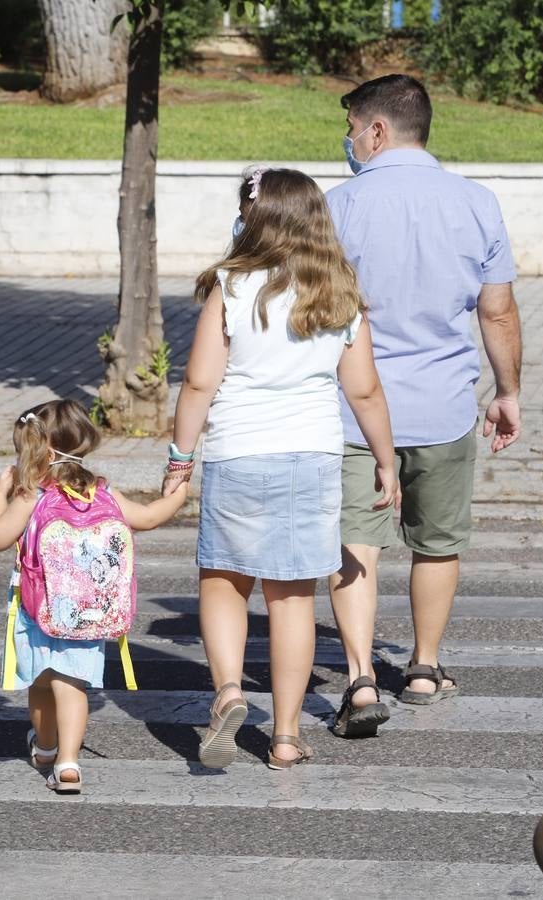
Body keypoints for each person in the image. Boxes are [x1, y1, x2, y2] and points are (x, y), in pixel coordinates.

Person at [162, 167, 399, 770]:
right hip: (312, 457)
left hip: (240, 451)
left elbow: (197, 382)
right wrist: (385, 459)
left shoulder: (230, 286)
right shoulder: (340, 289)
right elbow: (366, 391)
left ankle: (230, 693)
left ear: (255, 218)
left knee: (224, 581)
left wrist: (180, 458)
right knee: (292, 600)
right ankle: (287, 736)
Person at [326, 74, 523, 736]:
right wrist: (509, 391)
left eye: (352, 128)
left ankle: (357, 678)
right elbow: (495, 309)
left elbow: (318, 312)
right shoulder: (477, 203)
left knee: (357, 541)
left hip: (354, 412)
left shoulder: (339, 206)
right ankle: (422, 666)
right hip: (443, 407)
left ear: (378, 131)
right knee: (437, 544)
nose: (348, 140)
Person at [0, 399, 187, 794]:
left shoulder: (31, 495)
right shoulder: (101, 491)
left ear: (37, 449)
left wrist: (1, 491)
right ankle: (69, 764)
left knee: (42, 683)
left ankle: (45, 749)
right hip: (90, 613)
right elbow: (148, 518)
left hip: (38, 608)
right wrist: (177, 494)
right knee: (71, 684)